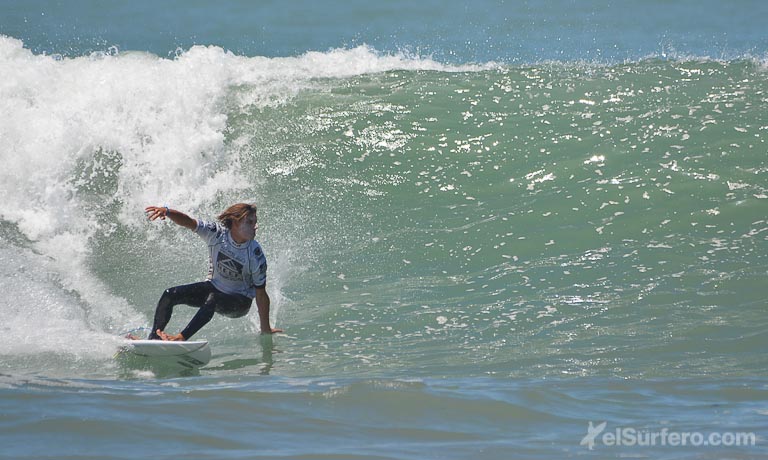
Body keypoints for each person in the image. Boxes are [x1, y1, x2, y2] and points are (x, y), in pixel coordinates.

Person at [144, 203, 282, 341]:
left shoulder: (255, 255)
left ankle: (181, 338)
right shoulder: (217, 234)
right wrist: (167, 212)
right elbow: (189, 222)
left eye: (255, 222)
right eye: (250, 222)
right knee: (170, 294)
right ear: (235, 221)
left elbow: (261, 293)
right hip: (214, 286)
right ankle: (154, 337)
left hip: (240, 301)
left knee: (213, 299)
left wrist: (265, 328)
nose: (255, 226)